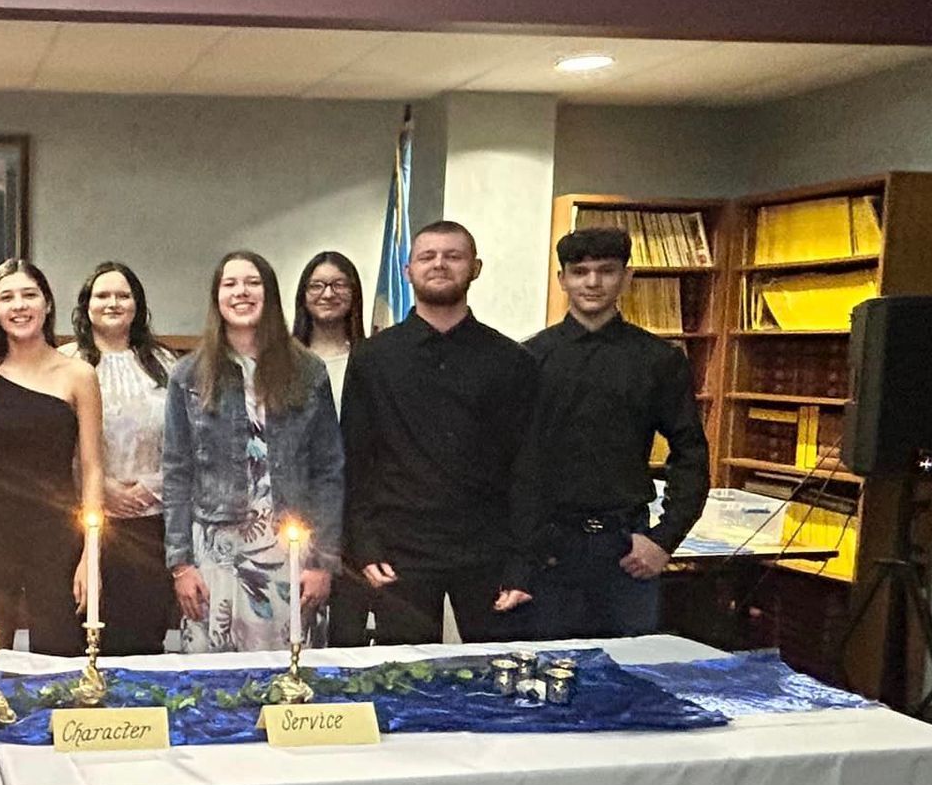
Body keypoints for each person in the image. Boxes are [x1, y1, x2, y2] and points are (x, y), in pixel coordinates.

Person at [339, 220, 539, 645]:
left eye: (453, 256)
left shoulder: (511, 360)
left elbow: (529, 465)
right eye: (427, 256)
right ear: (408, 270)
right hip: (400, 549)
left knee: (492, 681)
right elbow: (356, 460)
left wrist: (522, 560)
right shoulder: (373, 358)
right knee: (405, 679)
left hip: (487, 549)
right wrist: (364, 545)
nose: (440, 265)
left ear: (476, 267)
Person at [507, 226, 711, 637]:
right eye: (580, 271)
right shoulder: (528, 359)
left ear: (627, 278)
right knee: (546, 680)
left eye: (606, 271)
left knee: (631, 677)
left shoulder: (658, 360)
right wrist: (516, 556)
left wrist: (664, 539)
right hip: (548, 550)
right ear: (562, 279)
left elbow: (690, 453)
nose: (593, 282)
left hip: (627, 549)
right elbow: (508, 463)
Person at [162, 251, 343, 653]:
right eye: (230, 284)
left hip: (291, 548)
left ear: (271, 294)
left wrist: (322, 563)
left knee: (291, 668)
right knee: (213, 679)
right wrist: (181, 564)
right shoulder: (189, 375)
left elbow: (329, 471)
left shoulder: (308, 370)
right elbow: (176, 472)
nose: (241, 292)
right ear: (217, 299)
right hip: (215, 550)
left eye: (252, 282)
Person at [0, 260, 104, 654]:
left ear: (47, 304)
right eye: (7, 297)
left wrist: (92, 552)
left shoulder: (79, 375)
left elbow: (92, 469)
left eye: (29, 295)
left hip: (56, 531)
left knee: (61, 650)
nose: (19, 306)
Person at [61, 261, 177, 655]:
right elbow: (55, 443)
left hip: (151, 523)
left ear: (137, 305)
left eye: (123, 295)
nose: (113, 303)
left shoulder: (167, 365)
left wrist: (150, 489)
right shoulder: (66, 362)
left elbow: (183, 442)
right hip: (85, 522)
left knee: (142, 634)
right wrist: (101, 490)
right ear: (86, 305)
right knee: (87, 634)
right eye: (103, 295)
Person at [291, 249, 374, 646]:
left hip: (359, 508)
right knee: (297, 627)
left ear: (355, 293)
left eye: (339, 284)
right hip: (298, 511)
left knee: (346, 630)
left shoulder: (374, 358)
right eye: (317, 285)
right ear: (303, 295)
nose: (328, 293)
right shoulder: (286, 361)